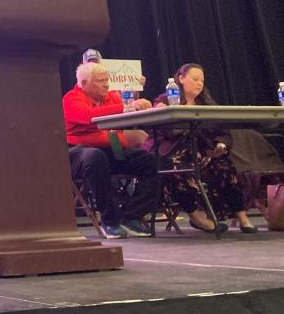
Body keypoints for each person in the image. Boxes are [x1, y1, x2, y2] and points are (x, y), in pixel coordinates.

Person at [151, 63, 256, 233]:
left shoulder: (206, 103)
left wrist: (220, 146)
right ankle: (197, 216)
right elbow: (164, 130)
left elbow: (223, 132)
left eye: (202, 80)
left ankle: (242, 216)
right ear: (181, 78)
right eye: (195, 79)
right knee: (178, 168)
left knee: (223, 166)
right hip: (174, 153)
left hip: (202, 153)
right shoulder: (165, 100)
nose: (199, 83)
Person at [64, 61, 159, 238]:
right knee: (95, 156)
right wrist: (124, 107)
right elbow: (87, 116)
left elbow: (128, 108)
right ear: (83, 83)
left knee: (154, 161)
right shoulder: (71, 99)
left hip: (112, 150)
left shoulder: (112, 97)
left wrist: (139, 103)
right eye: (100, 81)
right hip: (80, 153)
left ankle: (131, 215)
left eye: (107, 79)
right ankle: (110, 220)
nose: (107, 84)